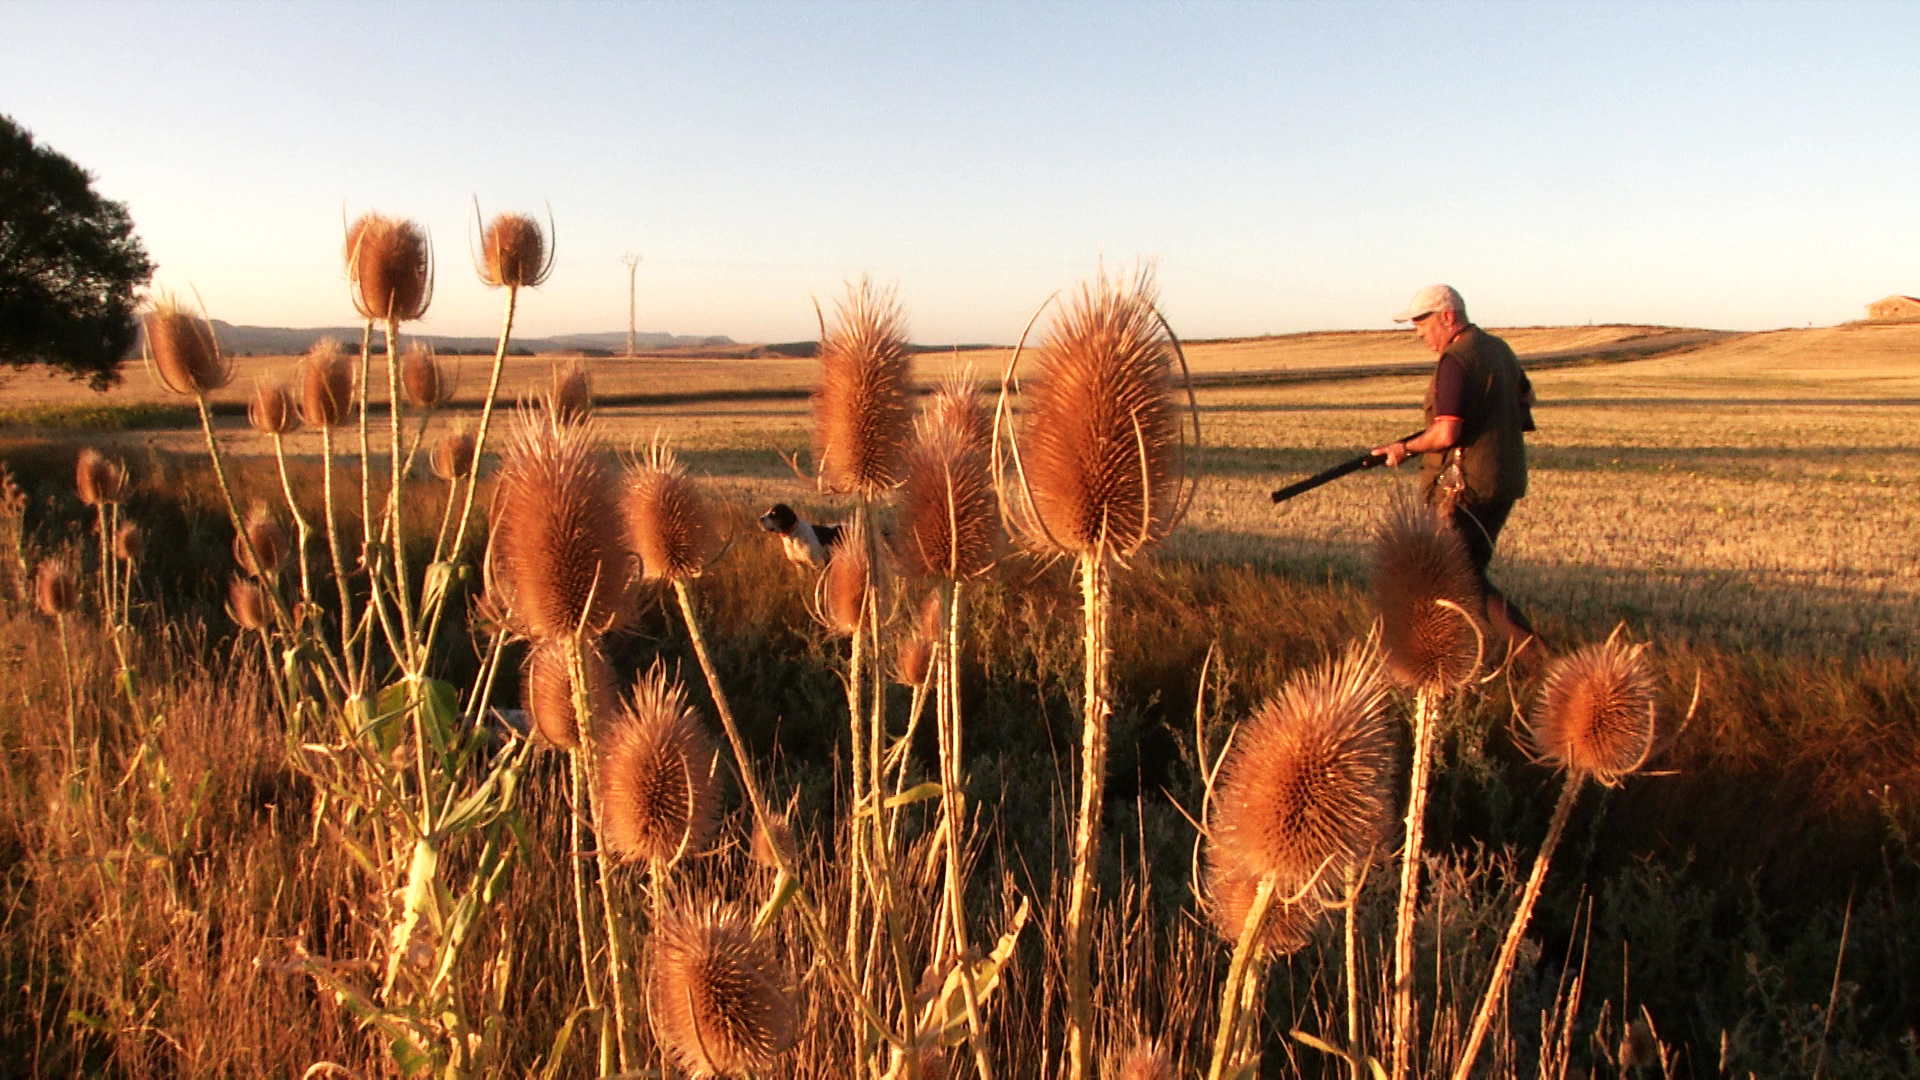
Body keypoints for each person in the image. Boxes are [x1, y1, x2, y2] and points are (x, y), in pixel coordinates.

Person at [1371, 284, 1541, 663]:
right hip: (1503, 480)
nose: (1422, 336)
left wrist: (1404, 448)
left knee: (1457, 578)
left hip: (1467, 488)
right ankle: (1495, 657)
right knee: (1468, 575)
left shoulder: (1456, 360)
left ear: (1447, 317)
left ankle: (1529, 658)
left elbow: (1446, 432)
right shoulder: (1498, 349)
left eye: (1424, 327)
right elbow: (1527, 398)